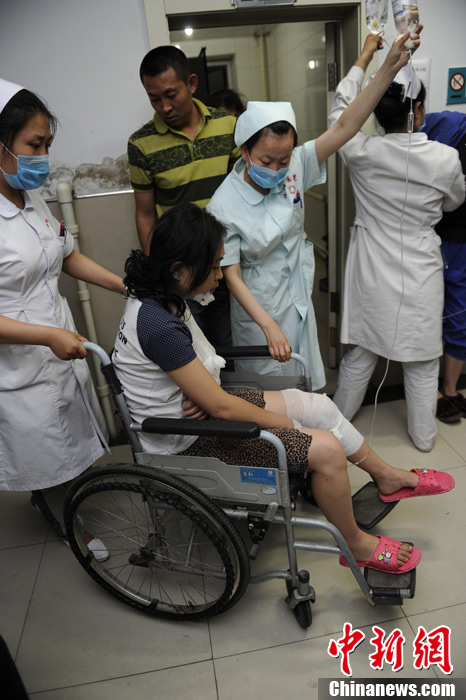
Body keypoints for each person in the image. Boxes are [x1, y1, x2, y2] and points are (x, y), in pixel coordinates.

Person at [113, 203, 456, 575]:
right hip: (186, 440)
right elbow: (222, 408)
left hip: (201, 413)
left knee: (319, 407)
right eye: (213, 267)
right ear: (178, 270)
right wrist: (281, 424)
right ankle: (356, 545)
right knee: (326, 449)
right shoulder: (160, 324)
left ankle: (386, 476)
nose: (219, 275)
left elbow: (189, 383)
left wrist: (200, 394)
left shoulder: (158, 298)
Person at [206, 31, 422, 388]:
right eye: (266, 161)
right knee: (270, 390)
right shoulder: (222, 206)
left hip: (296, 295)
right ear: (244, 151)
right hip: (258, 309)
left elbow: (346, 126)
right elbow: (233, 277)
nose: (277, 170)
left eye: (283, 160)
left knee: (304, 380)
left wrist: (388, 68)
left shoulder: (296, 165)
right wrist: (267, 325)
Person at [0, 78, 125, 558]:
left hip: (57, 340)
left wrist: (122, 284)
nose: (44, 157)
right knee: (43, 445)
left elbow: (65, 254)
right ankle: (66, 520)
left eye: (47, 145)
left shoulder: (29, 197)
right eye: (34, 145)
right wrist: (46, 336)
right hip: (20, 356)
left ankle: (59, 494)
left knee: (66, 434)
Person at [329, 35, 465, 452]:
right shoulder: (445, 158)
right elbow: (454, 200)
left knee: (362, 355)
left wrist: (364, 57)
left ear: (375, 112)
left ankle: (334, 430)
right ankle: (424, 440)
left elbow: (340, 113)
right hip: (422, 268)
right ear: (418, 111)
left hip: (371, 269)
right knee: (422, 362)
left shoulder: (360, 150)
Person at [128, 45, 241, 349]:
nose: (164, 107)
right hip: (183, 272)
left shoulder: (228, 126)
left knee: (230, 343)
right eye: (154, 98)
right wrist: (161, 276)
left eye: (171, 94)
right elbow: (145, 214)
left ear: (191, 83)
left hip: (227, 261)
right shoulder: (141, 144)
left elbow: (243, 194)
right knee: (192, 345)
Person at [423, 111, 466, 424]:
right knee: (430, 318)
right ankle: (430, 392)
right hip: (442, 238)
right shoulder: (449, 125)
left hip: (463, 244)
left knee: (461, 320)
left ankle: (450, 390)